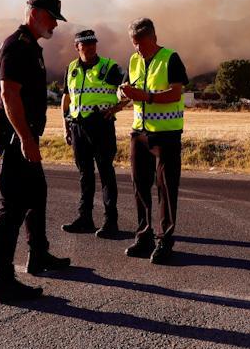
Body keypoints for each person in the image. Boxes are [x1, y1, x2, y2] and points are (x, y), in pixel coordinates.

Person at [0, 0, 71, 303]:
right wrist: (25, 138)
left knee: (37, 194)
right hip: (16, 138)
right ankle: (1, 281)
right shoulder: (17, 46)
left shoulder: (31, 47)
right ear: (35, 13)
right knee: (12, 208)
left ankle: (38, 254)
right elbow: (10, 95)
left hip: (26, 135)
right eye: (51, 18)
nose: (55, 25)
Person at [119, 18, 189, 264]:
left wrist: (144, 96)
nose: (138, 48)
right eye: (134, 43)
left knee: (166, 189)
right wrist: (122, 92)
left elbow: (176, 93)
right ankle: (144, 236)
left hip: (166, 135)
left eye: (142, 43)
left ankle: (164, 241)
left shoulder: (171, 58)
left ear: (154, 38)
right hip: (139, 133)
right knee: (140, 186)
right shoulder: (133, 60)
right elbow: (128, 88)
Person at [60, 29, 126, 237]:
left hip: (101, 126)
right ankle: (85, 219)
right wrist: (65, 126)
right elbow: (66, 98)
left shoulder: (109, 67)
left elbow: (129, 89)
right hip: (78, 126)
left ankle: (110, 222)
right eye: (85, 45)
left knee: (106, 173)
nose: (90, 48)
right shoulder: (71, 68)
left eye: (93, 44)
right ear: (77, 47)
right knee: (85, 175)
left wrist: (116, 108)